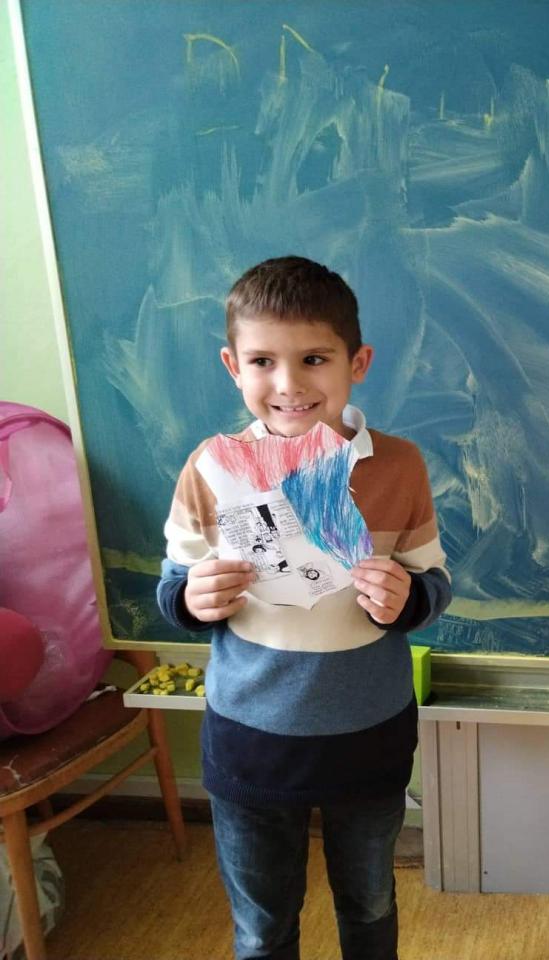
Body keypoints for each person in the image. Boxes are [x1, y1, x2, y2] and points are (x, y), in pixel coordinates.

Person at [156, 256, 451, 960]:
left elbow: (433, 580)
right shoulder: (210, 468)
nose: (288, 384)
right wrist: (191, 598)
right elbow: (174, 584)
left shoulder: (399, 466)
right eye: (263, 361)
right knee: (263, 926)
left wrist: (408, 599)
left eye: (314, 359)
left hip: (368, 735)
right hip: (251, 741)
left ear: (358, 363)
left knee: (369, 905)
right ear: (233, 366)